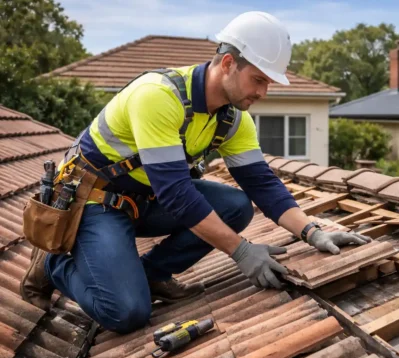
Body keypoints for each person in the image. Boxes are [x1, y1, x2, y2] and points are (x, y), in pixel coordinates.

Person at [20, 11, 370, 334]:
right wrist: (242, 251)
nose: (263, 93)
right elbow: (176, 192)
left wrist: (312, 232)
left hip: (146, 200)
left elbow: (261, 182)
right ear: (229, 63)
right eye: (258, 80)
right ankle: (54, 264)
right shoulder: (157, 96)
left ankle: (150, 275)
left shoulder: (233, 118)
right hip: (95, 202)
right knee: (127, 312)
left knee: (236, 205)